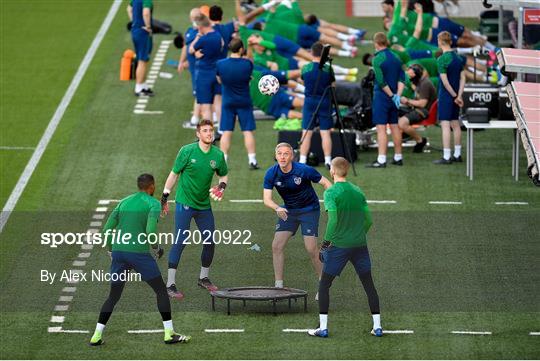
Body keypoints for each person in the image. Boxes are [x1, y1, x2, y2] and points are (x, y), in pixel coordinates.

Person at [90, 174, 190, 346]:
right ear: (151, 186)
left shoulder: (124, 202)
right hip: (138, 254)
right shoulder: (152, 204)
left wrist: (110, 249)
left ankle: (96, 336)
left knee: (113, 296)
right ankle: (169, 333)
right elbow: (150, 231)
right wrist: (157, 248)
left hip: (119, 252)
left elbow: (106, 230)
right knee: (160, 290)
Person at [307, 157, 382, 338]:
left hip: (339, 246)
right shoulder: (358, 191)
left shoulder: (331, 193)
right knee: (369, 285)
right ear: (346, 170)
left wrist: (325, 243)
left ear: (332, 171)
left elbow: (333, 220)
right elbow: (369, 221)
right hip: (360, 245)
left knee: (324, 285)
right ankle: (378, 327)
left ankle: (323, 328)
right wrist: (357, 234)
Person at [160, 120, 228, 299]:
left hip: (204, 205)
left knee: (210, 241)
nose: (209, 133)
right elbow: (174, 174)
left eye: (211, 130)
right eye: (205, 130)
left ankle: (203, 278)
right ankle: (170, 284)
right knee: (180, 241)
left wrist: (221, 185)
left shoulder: (218, 155)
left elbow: (223, 174)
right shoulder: (187, 151)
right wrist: (165, 196)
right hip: (185, 204)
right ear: (198, 134)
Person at [263, 143, 332, 289]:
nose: (282, 156)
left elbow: (326, 183)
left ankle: (323, 284)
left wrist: (330, 203)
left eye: (286, 153)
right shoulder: (271, 173)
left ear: (292, 156)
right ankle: (279, 286)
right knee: (276, 246)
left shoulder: (304, 170)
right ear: (275, 156)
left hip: (309, 210)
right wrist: (277, 208)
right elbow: (266, 199)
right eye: (279, 153)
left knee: (311, 248)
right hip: (288, 211)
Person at [216, 38, 259, 169]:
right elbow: (251, 61)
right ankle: (252, 160)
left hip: (228, 101)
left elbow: (219, 80)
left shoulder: (220, 64)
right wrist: (250, 47)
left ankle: (223, 160)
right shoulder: (246, 64)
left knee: (226, 131)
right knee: (247, 131)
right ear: (241, 49)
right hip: (244, 101)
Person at [367, 32, 405, 168]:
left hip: (382, 97)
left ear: (376, 43)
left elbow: (381, 81)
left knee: (381, 128)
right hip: (394, 97)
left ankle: (381, 159)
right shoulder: (396, 56)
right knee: (394, 126)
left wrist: (390, 95)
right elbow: (402, 77)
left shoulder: (377, 59)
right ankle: (398, 156)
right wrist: (397, 96)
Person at [299, 42, 336, 170]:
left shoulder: (306, 68)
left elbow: (303, 80)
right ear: (323, 54)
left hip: (309, 102)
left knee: (306, 132)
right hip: (325, 102)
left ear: (311, 53)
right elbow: (333, 86)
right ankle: (328, 160)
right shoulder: (328, 69)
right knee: (325, 133)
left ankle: (302, 160)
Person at [433, 31, 465, 164]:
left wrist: (453, 96)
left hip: (447, 96)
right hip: (456, 95)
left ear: (440, 42)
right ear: (450, 41)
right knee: (456, 124)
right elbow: (463, 78)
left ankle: (446, 156)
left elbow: (445, 82)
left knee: (445, 125)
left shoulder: (441, 59)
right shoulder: (458, 58)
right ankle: (457, 154)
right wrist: (459, 95)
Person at [189, 15, 224, 123]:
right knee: (218, 102)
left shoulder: (203, 39)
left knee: (206, 106)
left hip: (204, 74)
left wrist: (197, 38)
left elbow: (191, 50)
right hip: (217, 73)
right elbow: (222, 45)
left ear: (200, 27)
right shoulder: (218, 36)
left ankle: (208, 136)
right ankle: (221, 131)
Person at [398, 63, 435, 153]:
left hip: (423, 111)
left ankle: (420, 141)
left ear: (416, 75)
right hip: (417, 108)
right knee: (393, 110)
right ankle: (406, 134)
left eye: (410, 76)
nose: (409, 78)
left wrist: (407, 101)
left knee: (402, 123)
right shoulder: (419, 82)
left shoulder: (425, 84)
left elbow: (422, 104)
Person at [178, 8, 202, 128]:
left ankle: (195, 120)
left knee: (199, 95)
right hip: (194, 69)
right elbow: (186, 47)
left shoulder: (201, 33)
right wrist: (182, 61)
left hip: (200, 69)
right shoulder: (190, 31)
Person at [127, 0, 154, 96]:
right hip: (142, 32)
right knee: (142, 60)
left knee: (144, 58)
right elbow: (146, 13)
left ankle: (143, 85)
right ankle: (138, 87)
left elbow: (129, 8)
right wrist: (148, 26)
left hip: (136, 30)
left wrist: (134, 22)